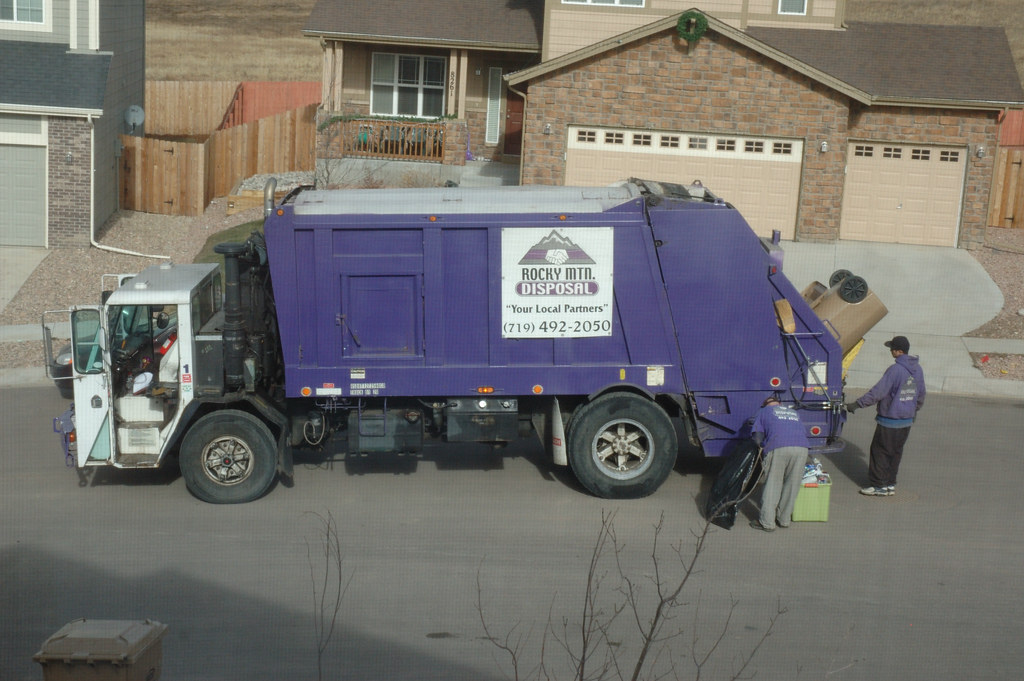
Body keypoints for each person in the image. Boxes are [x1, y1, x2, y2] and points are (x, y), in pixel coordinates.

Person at [846, 335, 926, 497]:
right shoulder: (918, 369)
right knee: (895, 452)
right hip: (906, 421)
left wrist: (857, 404)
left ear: (899, 351)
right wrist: (913, 411)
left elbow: (878, 392)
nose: (891, 351)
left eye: (892, 349)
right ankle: (890, 483)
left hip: (890, 421)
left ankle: (878, 486)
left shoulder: (895, 370)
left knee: (880, 452)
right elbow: (921, 393)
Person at [749, 395, 809, 532]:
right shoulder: (793, 412)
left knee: (773, 483)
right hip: (802, 448)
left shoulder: (763, 411)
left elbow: (757, 438)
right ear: (780, 404)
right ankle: (784, 520)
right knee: (792, 484)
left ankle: (767, 522)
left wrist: (761, 448)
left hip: (778, 447)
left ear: (765, 405)